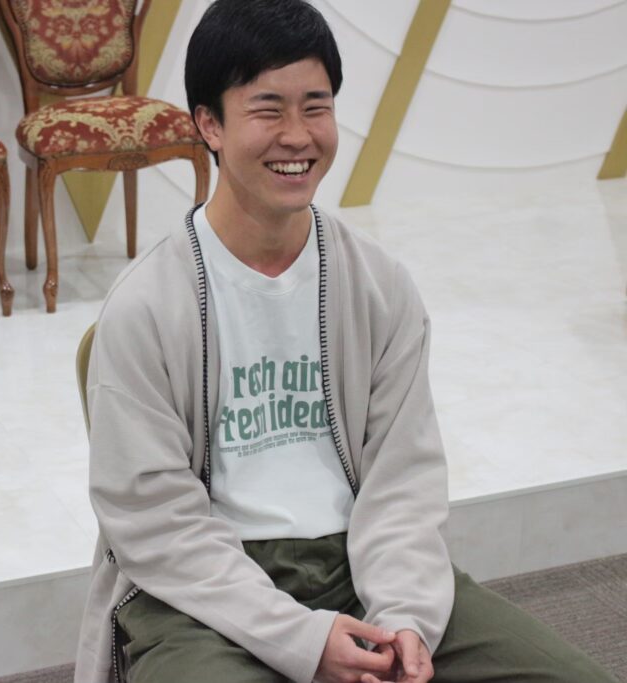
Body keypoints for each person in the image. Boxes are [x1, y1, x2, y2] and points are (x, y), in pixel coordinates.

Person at [73, 1, 620, 682]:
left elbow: (404, 480)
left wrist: (404, 619)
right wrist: (302, 640)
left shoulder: (378, 284)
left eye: (317, 107)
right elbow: (155, 523)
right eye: (268, 110)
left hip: (362, 562)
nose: (297, 136)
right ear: (209, 124)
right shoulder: (147, 304)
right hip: (204, 588)